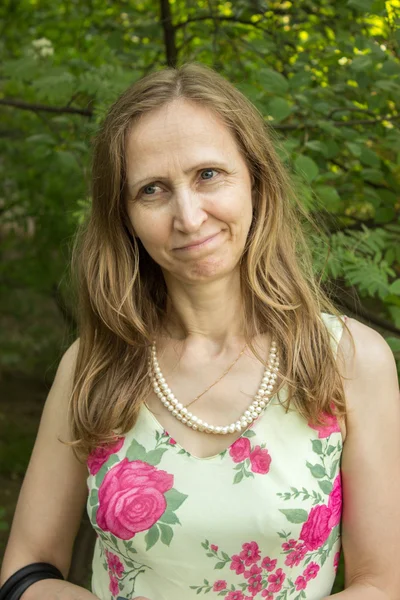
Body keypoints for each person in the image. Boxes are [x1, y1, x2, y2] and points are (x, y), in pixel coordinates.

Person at [1, 63, 399, 600]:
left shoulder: (348, 359)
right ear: (125, 216)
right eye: (153, 190)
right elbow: (26, 570)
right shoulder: (92, 365)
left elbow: (384, 583)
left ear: (256, 179)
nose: (188, 216)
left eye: (208, 174)